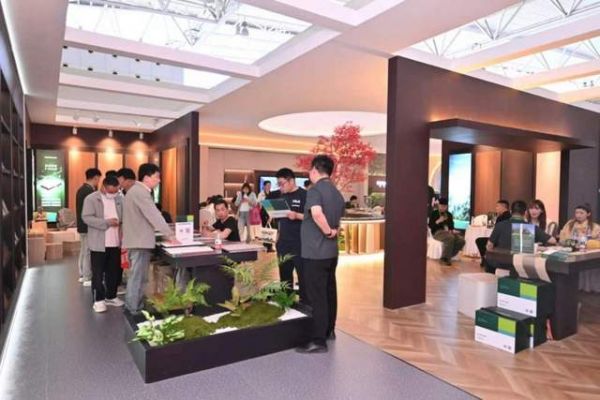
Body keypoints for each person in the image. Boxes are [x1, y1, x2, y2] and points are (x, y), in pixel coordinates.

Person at [298, 155, 345, 354]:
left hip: (315, 253)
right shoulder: (336, 192)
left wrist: (327, 232)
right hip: (331, 253)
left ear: (315, 170)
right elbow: (339, 219)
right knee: (329, 291)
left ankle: (318, 340)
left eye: (310, 169)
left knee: (317, 296)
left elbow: (317, 213)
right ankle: (329, 330)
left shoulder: (315, 190)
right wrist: (332, 232)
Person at [122, 163, 176, 314]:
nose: (159, 180)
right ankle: (134, 308)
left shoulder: (135, 191)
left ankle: (134, 306)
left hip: (137, 239)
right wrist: (170, 235)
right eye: (156, 177)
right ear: (146, 178)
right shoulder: (140, 192)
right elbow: (154, 215)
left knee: (138, 276)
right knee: (138, 277)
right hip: (139, 241)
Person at [81, 176, 124, 313]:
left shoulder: (120, 199)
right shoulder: (91, 199)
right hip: (98, 243)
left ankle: (111, 296)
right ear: (103, 187)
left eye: (116, 191)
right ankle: (98, 300)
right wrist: (106, 222)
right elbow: (86, 218)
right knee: (98, 273)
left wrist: (120, 223)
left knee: (114, 272)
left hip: (116, 242)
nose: (114, 194)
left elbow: (125, 216)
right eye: (111, 192)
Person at [487, 200, 556, 272]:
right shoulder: (529, 227)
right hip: (521, 267)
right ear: (525, 212)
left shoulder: (500, 225)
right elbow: (553, 240)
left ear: (511, 211)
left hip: (500, 265)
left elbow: (489, 246)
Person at [275, 168, 307, 300]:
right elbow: (280, 221)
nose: (280, 187)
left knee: (303, 277)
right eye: (279, 184)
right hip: (283, 243)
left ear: (291, 181)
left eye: (282, 183)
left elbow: (313, 218)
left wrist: (297, 215)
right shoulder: (282, 196)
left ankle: (305, 305)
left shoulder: (305, 195)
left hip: (300, 243)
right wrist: (277, 238)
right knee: (285, 278)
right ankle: (286, 303)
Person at [76, 168, 102, 286]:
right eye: (98, 179)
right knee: (87, 251)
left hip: (81, 225)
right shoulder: (90, 192)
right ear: (95, 177)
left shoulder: (81, 189)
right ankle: (87, 276)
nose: (99, 181)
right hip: (88, 226)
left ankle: (82, 274)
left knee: (83, 250)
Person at [428, 198, 465, 266]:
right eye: (441, 206)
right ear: (439, 205)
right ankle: (444, 259)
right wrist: (438, 221)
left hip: (448, 232)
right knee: (450, 238)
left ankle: (449, 255)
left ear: (447, 206)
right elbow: (430, 226)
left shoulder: (449, 215)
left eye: (444, 206)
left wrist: (453, 230)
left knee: (461, 240)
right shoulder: (434, 213)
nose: (443, 208)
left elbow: (451, 227)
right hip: (437, 232)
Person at [475, 199, 510, 267]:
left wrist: (492, 241)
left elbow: (496, 233)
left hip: (499, 242)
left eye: (497, 206)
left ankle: (485, 259)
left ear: (503, 207)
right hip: (505, 241)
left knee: (480, 240)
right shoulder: (509, 216)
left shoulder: (501, 218)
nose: (496, 208)